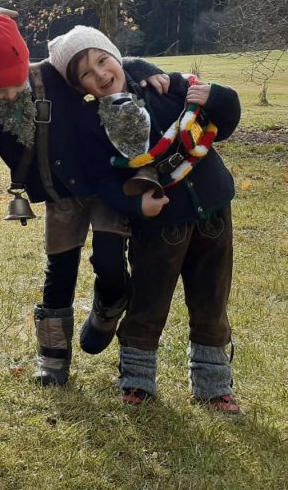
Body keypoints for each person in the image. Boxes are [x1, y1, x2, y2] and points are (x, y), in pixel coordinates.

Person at [0, 14, 168, 386]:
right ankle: (52, 359)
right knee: (59, 273)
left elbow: (105, 59)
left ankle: (109, 305)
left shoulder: (53, 74)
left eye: (12, 84)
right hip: (61, 194)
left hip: (108, 183)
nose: (7, 94)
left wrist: (144, 66)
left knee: (110, 260)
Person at [50, 26, 242, 412]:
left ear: (115, 56)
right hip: (158, 224)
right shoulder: (92, 123)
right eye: (87, 73)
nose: (101, 75)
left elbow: (223, 126)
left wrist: (217, 96)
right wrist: (137, 208)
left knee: (211, 296)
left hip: (213, 208)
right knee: (149, 299)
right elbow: (102, 180)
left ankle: (214, 383)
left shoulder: (163, 88)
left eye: (103, 61)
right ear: (80, 86)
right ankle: (137, 380)